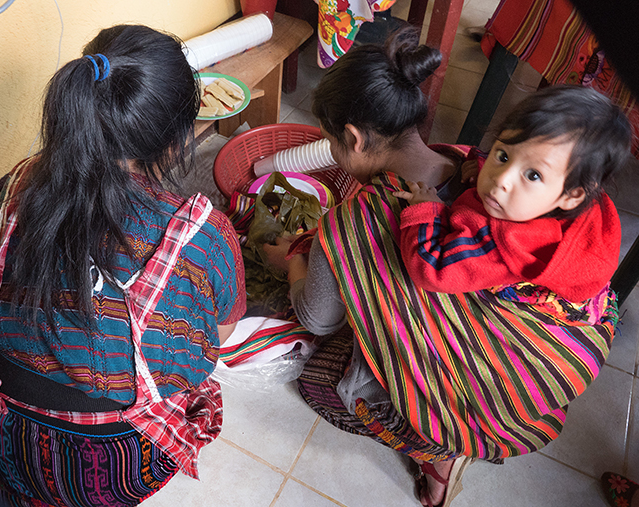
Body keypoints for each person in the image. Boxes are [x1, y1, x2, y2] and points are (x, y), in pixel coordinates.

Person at [263, 26, 629, 507]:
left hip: (483, 394)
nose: (503, 179)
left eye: (333, 144)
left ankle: (437, 450)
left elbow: (319, 318)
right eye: (505, 155)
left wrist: (291, 258)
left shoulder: (357, 220)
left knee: (319, 384)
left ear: (352, 138)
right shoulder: (471, 164)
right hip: (530, 378)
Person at [0, 25, 246, 507]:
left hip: (4, 434)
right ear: (178, 143)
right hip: (110, 469)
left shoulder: (22, 181)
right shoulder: (202, 232)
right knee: (201, 370)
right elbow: (224, 326)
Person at [393, 85, 625, 303]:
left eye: (533, 175)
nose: (502, 179)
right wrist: (484, 164)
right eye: (503, 156)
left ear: (571, 196)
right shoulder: (561, 190)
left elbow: (433, 270)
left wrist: (426, 209)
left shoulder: (501, 243)